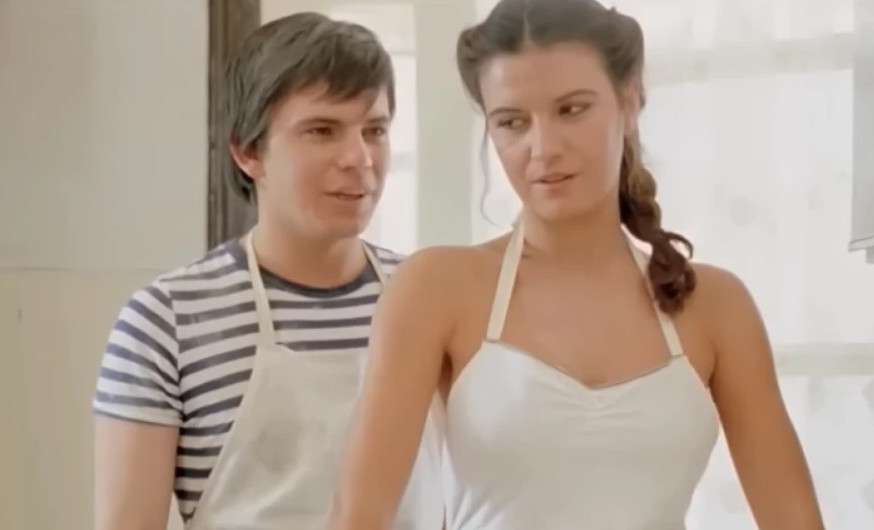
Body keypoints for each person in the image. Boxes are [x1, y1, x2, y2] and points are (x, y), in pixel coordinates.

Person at [330, 0, 826, 528]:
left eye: (572, 110)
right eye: (512, 122)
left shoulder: (716, 307)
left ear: (629, 101)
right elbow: (359, 519)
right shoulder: (436, 288)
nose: (543, 148)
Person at [92, 12, 443, 530]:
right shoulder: (166, 321)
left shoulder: (429, 299)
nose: (359, 158)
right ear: (247, 151)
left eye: (375, 130)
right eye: (322, 130)